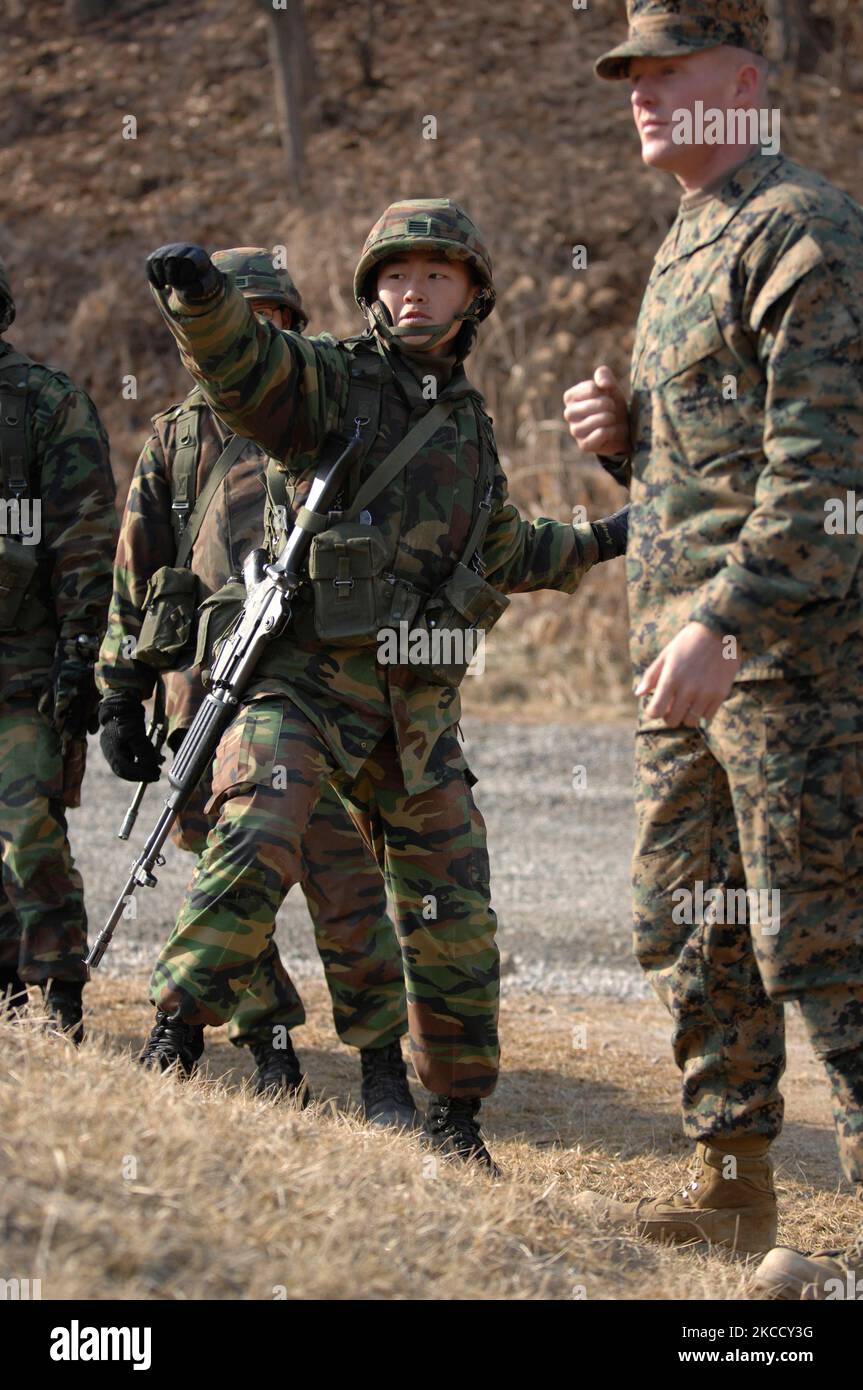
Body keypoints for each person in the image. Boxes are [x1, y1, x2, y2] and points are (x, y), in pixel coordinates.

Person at [142, 200, 629, 1171]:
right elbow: (247, 371)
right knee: (260, 823)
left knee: (454, 910)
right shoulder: (331, 382)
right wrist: (200, 302)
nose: (414, 291)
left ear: (471, 294)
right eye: (396, 277)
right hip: (301, 685)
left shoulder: (469, 428)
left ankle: (452, 1117)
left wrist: (609, 537)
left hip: (412, 714)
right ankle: (176, 1031)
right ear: (372, 292)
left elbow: (500, 549)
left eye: (435, 276)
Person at [565, 0, 863, 1288]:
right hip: (681, 666)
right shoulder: (692, 233)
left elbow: (825, 473)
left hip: (786, 664)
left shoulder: (801, 226)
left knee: (825, 932)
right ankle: (735, 1186)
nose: (638, 90)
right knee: (693, 924)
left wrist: (723, 626)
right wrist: (627, 437)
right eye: (629, 72)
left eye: (663, 68)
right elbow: (720, 460)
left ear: (739, 78)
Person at [97, 248, 413, 1126]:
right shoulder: (177, 437)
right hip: (200, 692)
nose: (258, 338)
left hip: (315, 692)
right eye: (245, 321)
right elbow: (139, 566)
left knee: (344, 884)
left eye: (274, 322)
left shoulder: (330, 424)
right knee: (231, 880)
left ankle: (382, 1064)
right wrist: (120, 691)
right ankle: (263, 1037)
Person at [0, 252, 117, 1044]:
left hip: (24, 665)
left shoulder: (44, 405)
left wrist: (79, 653)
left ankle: (58, 996)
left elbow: (83, 537)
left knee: (27, 829)